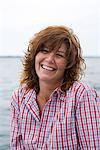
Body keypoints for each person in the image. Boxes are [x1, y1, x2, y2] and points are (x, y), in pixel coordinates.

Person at [10, 25, 100, 150]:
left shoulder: (81, 95)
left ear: (68, 64)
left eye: (59, 55)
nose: (49, 59)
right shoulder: (20, 96)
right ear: (34, 56)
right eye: (45, 51)